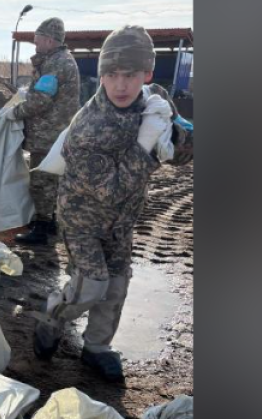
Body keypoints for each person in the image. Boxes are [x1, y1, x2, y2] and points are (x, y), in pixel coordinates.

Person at [31, 25, 194, 382]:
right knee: (91, 285)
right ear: (101, 75)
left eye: (130, 75)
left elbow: (181, 155)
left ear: (147, 74)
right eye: (112, 74)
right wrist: (147, 145)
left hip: (121, 221)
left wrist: (176, 133)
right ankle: (52, 315)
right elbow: (112, 190)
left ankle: (97, 347)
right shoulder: (89, 127)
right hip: (83, 219)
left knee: (116, 286)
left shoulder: (154, 100)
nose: (121, 85)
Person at [7, 17, 80, 245]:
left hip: (48, 134)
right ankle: (49, 222)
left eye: (38, 41)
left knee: (41, 180)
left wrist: (15, 112)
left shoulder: (55, 63)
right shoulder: (62, 60)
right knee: (52, 179)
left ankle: (41, 227)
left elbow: (41, 100)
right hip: (56, 133)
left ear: (49, 40)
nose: (36, 45)